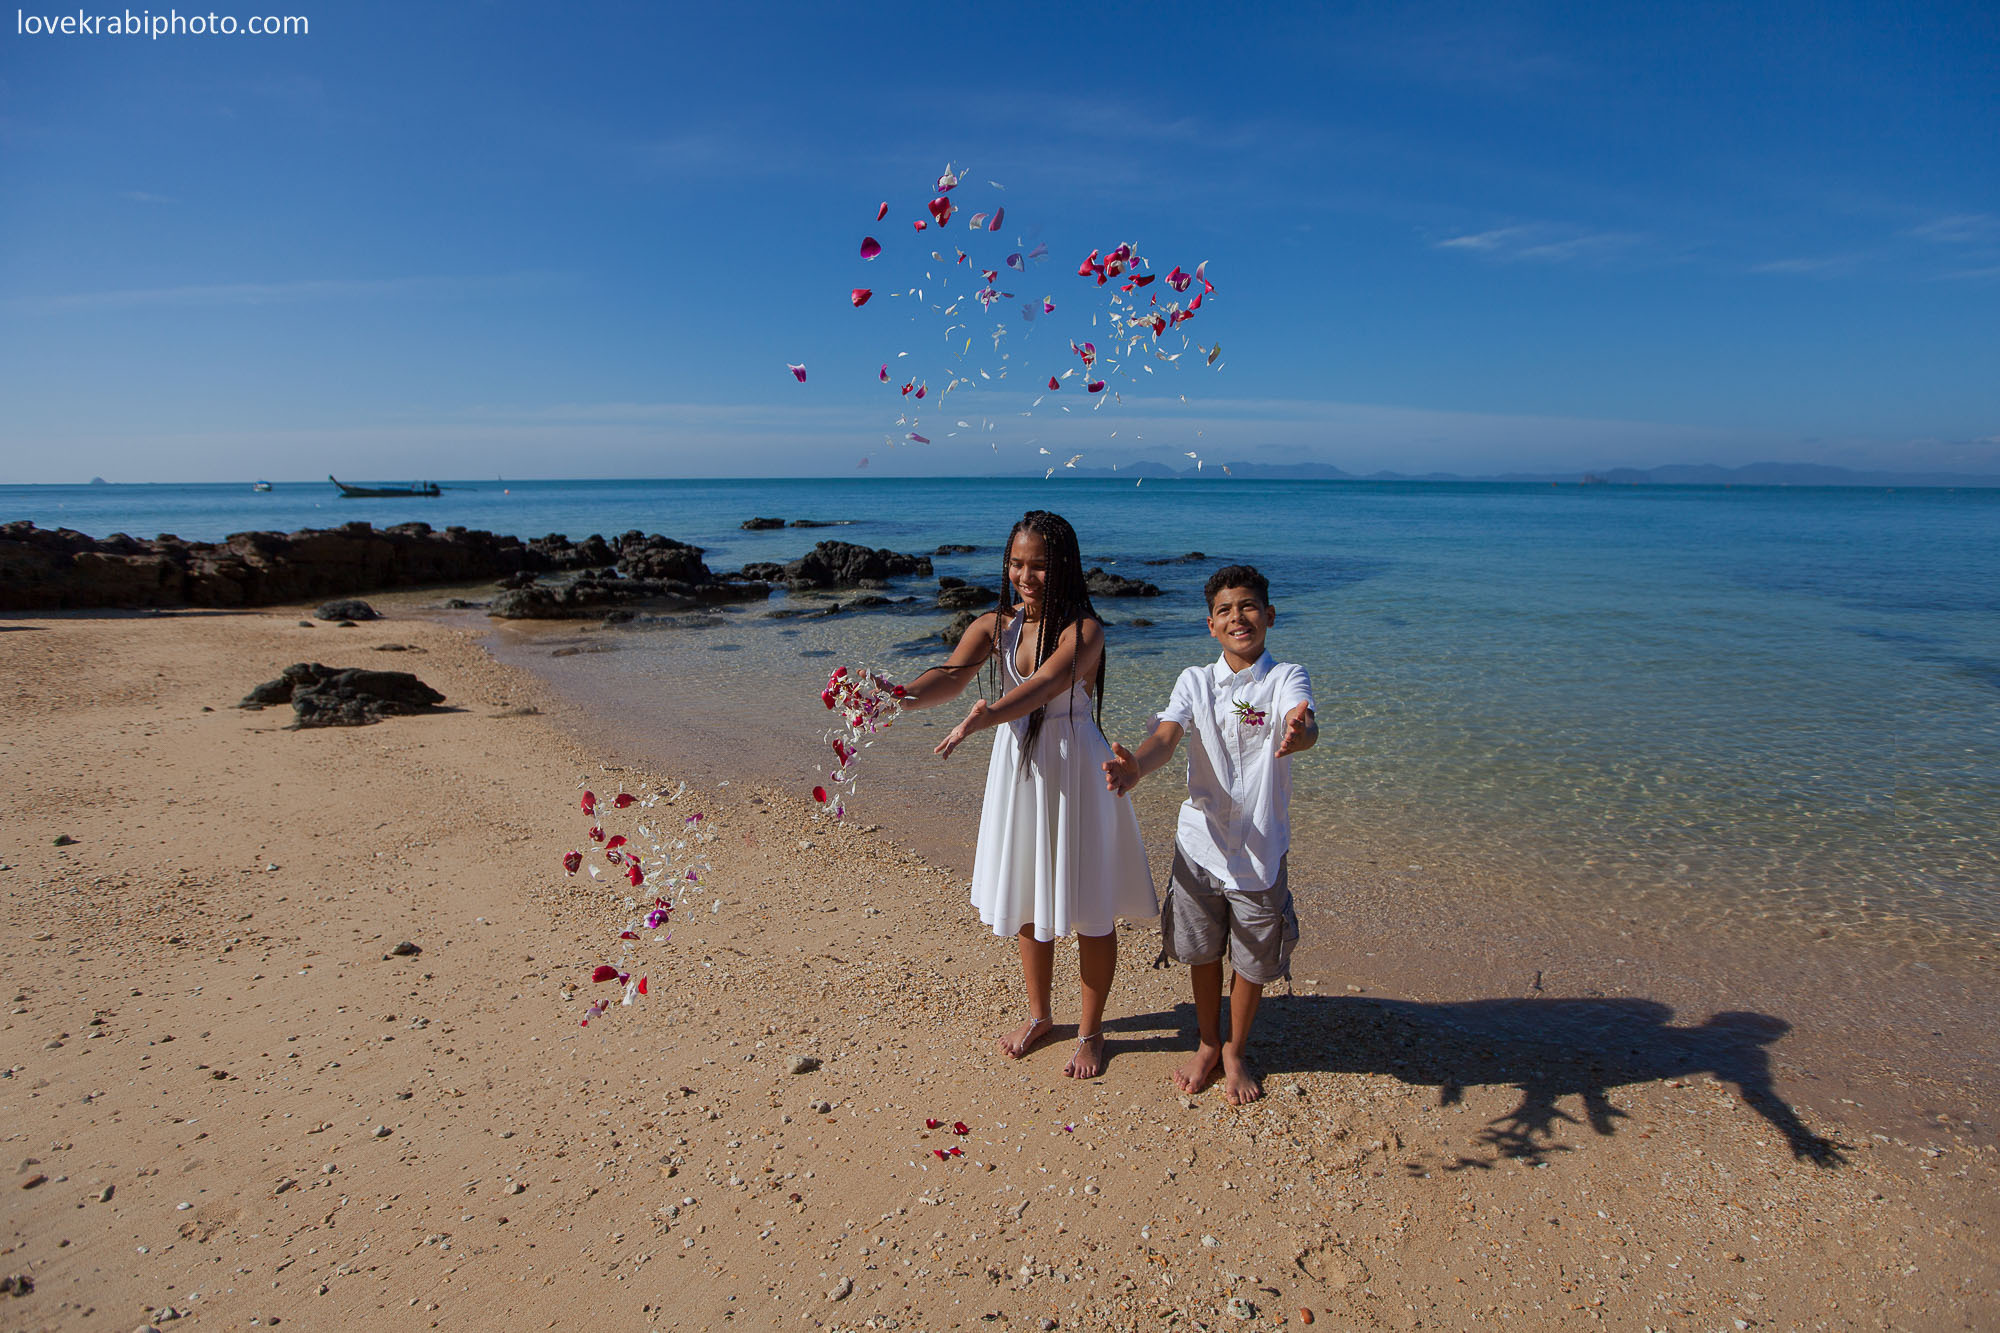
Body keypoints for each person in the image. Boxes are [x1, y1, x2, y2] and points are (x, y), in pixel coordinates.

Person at [899, 510, 1157, 1079]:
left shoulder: (1084, 630)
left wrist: (984, 719)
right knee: (1026, 892)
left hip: (1074, 768)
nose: (1024, 575)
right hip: (1018, 766)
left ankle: (1092, 1032)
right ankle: (1040, 1015)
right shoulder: (996, 624)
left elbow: (1042, 688)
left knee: (1090, 905)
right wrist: (891, 697)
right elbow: (948, 676)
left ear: (1064, 565)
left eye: (1038, 565)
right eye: (1016, 563)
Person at [1103, 565, 1317, 1104]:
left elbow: (1304, 720)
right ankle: (1206, 1041)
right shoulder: (1194, 681)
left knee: (1251, 960)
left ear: (1268, 616)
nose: (1237, 616)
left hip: (1260, 848)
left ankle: (1235, 1051)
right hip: (1200, 845)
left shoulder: (1285, 676)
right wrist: (1136, 768)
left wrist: (1299, 732)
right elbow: (1167, 737)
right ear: (1210, 625)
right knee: (1201, 952)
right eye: (1225, 610)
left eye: (1247, 606)